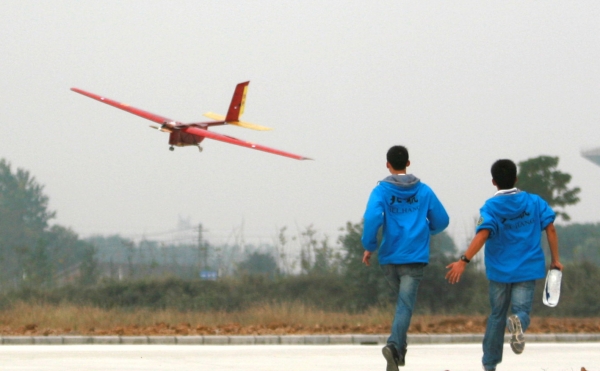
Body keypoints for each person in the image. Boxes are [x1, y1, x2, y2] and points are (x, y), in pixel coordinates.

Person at [445, 159, 563, 371]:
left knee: (497, 316)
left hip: (499, 272)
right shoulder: (534, 202)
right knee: (521, 311)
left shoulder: (491, 207)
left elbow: (483, 234)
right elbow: (551, 229)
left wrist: (463, 261)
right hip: (527, 269)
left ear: (494, 182)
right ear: (516, 178)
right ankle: (517, 321)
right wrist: (555, 260)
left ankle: (489, 364)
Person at [361, 145, 449, 371]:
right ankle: (393, 346)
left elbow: (372, 217)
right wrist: (425, 229)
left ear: (388, 165)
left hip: (390, 256)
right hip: (415, 256)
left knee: (403, 305)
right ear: (408, 163)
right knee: (405, 305)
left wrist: (370, 245)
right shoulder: (424, 191)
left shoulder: (381, 191)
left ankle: (399, 352)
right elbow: (442, 220)